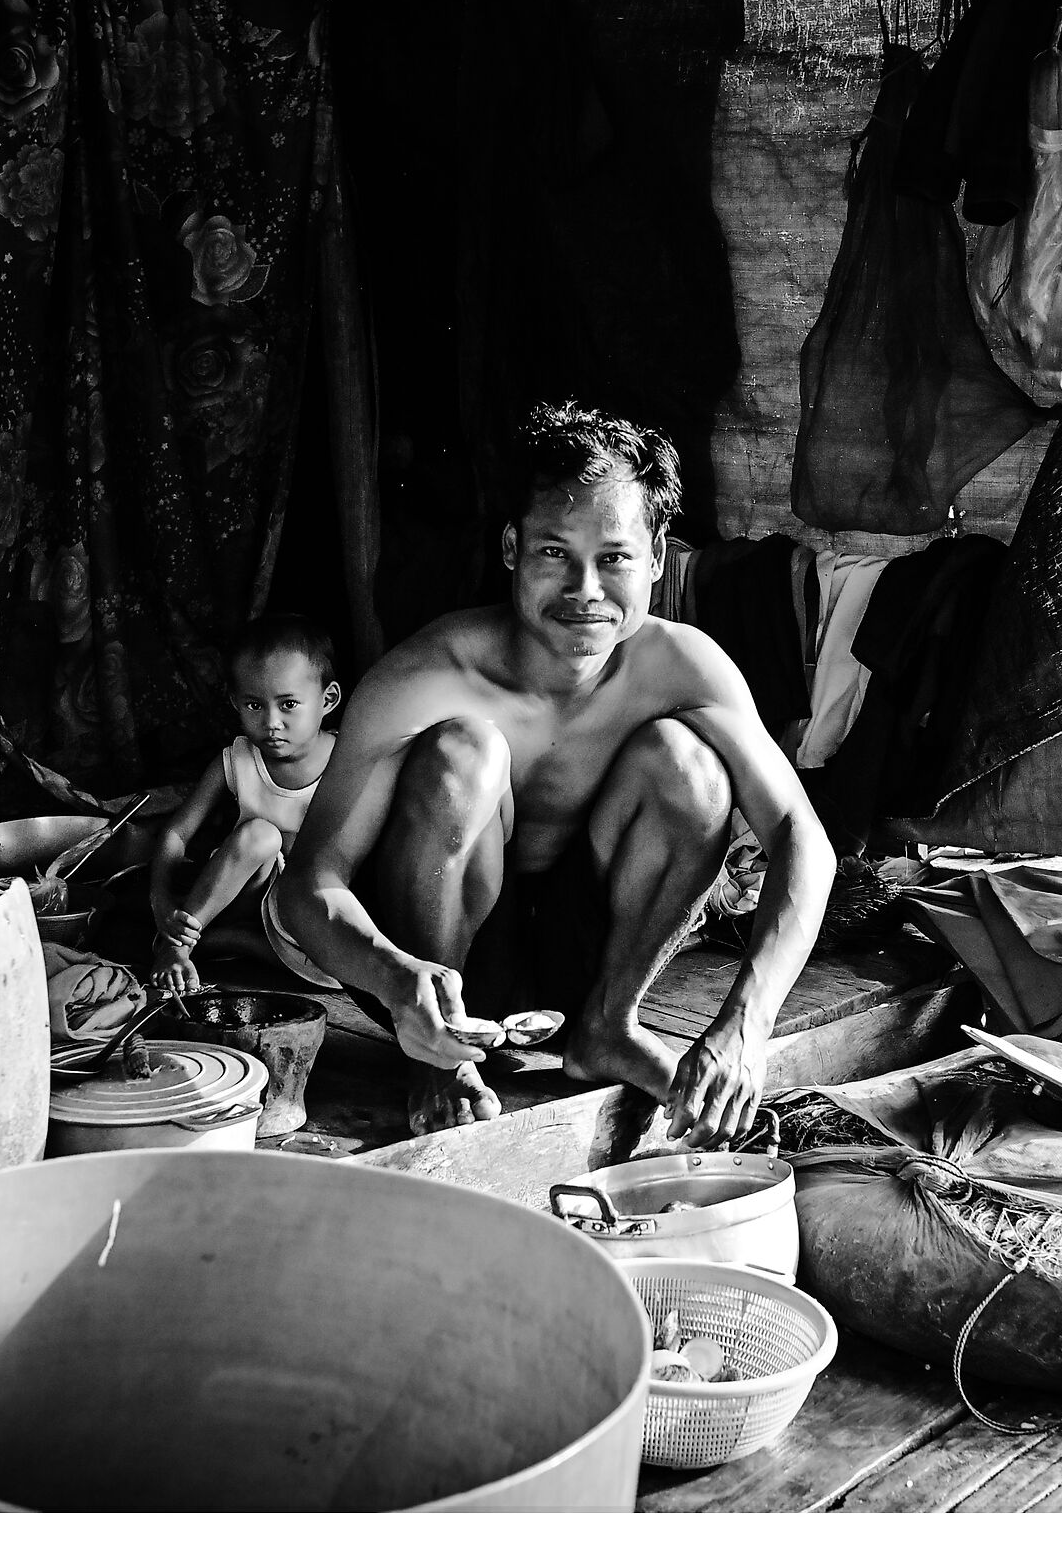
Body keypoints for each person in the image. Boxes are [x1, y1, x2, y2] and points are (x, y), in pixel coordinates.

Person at [274, 402, 836, 1144]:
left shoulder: (682, 665)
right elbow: (309, 883)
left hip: (586, 958)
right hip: (432, 967)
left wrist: (745, 1024)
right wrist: (392, 976)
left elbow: (805, 838)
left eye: (614, 557)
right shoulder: (429, 673)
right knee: (463, 754)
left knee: (692, 767)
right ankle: (438, 1058)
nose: (584, 589)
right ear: (512, 546)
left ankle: (608, 1023)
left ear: (658, 559)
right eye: (553, 552)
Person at [150, 614, 345, 994]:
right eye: (254, 705)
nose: (272, 722)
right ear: (235, 702)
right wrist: (161, 898)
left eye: (288, 704)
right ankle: (179, 944)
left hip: (302, 915)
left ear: (328, 700)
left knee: (340, 970)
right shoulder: (239, 759)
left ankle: (225, 944)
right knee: (261, 835)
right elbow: (177, 831)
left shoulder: (345, 762)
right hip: (238, 896)